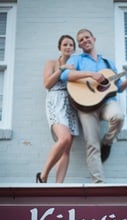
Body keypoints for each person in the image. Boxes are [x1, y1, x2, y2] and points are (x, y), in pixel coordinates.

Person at [61, 29, 127, 183]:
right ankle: (98, 183)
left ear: (94, 39)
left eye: (87, 37)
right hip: (86, 106)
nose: (84, 41)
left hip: (107, 102)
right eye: (81, 40)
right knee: (92, 144)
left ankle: (107, 142)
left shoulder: (108, 63)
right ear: (79, 44)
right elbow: (65, 76)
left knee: (118, 117)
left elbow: (119, 87)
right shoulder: (76, 60)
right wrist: (89, 74)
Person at [36, 35, 79, 183]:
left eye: (71, 45)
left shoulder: (76, 65)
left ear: (74, 48)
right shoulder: (52, 63)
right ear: (59, 47)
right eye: (65, 44)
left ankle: (59, 186)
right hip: (56, 101)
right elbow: (47, 84)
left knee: (66, 149)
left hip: (72, 106)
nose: (68, 47)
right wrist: (62, 69)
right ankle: (43, 175)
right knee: (64, 138)